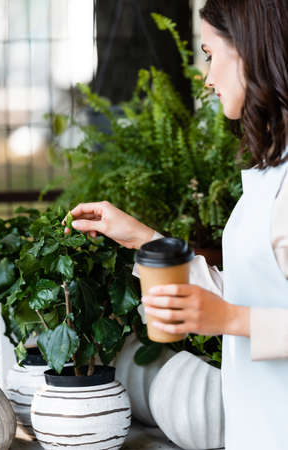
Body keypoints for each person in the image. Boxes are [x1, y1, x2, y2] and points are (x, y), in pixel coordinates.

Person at [63, 1, 288, 448]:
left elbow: (239, 310)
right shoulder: (269, 171)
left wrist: (230, 319)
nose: (206, 77)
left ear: (249, 49)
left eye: (209, 53)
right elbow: (253, 291)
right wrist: (145, 241)